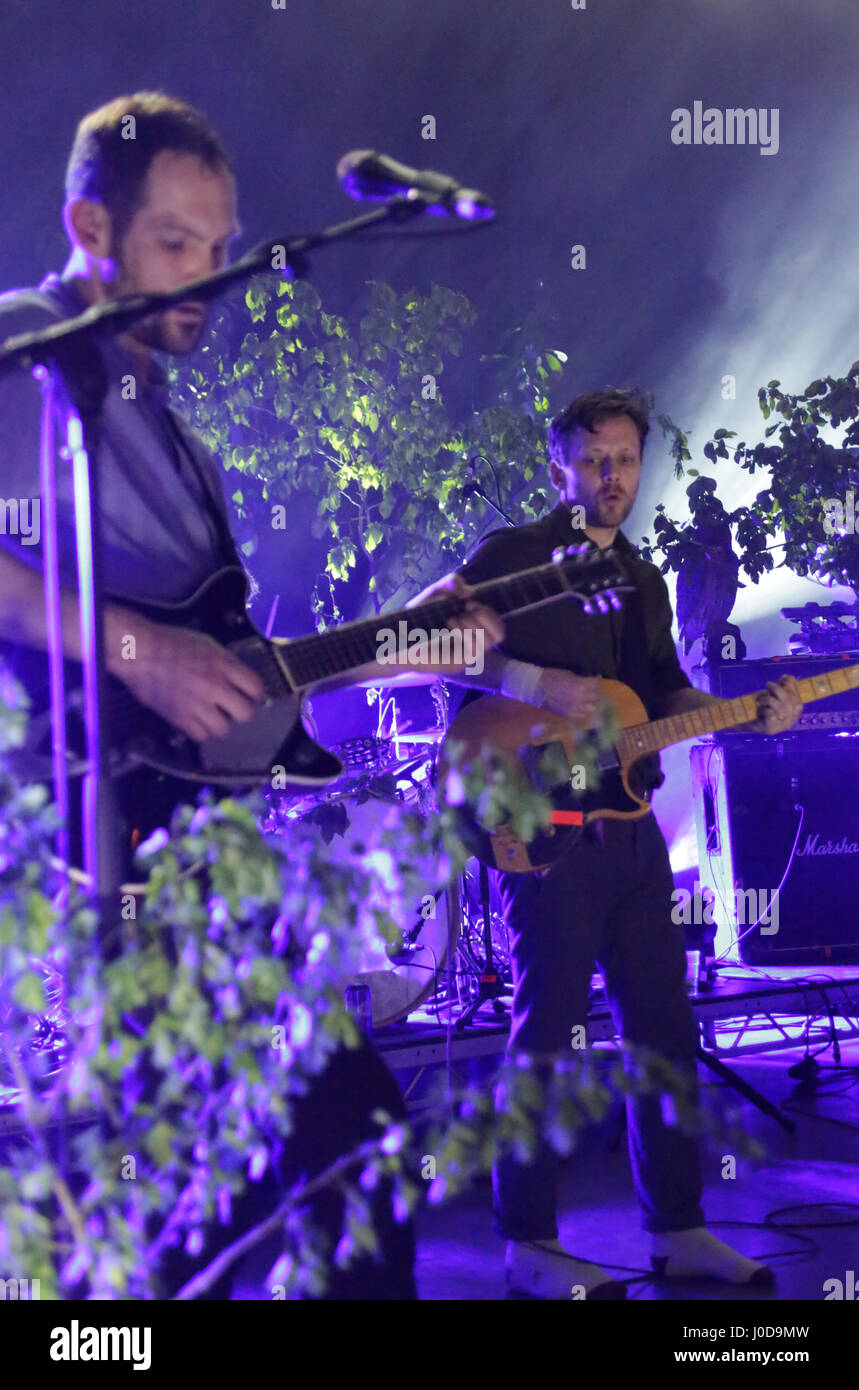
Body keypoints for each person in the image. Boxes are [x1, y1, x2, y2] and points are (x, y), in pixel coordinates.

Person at [0, 91, 503, 1298]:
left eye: (221, 248)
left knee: (315, 1149)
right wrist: (136, 651)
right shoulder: (27, 350)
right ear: (90, 223)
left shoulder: (169, 434)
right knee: (236, 1166)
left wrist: (398, 646)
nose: (205, 277)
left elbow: (233, 667)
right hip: (89, 838)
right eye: (177, 243)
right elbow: (132, 644)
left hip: (196, 845)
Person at [450, 387, 802, 1300]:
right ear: (556, 467)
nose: (612, 477)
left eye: (625, 460)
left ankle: (676, 1228)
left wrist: (748, 713)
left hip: (631, 834)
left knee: (664, 1033)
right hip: (540, 825)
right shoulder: (512, 557)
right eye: (593, 459)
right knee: (545, 1041)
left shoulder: (641, 578)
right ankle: (526, 1239)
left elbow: (668, 694)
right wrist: (540, 681)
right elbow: (442, 644)